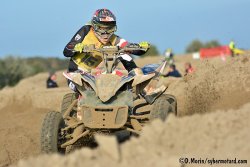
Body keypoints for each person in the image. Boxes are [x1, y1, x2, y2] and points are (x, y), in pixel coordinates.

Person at [63, 9, 150, 91]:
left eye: (109, 29)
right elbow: (66, 50)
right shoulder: (86, 30)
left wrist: (142, 48)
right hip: (74, 74)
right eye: (101, 28)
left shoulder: (114, 39)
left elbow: (131, 48)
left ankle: (138, 81)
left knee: (122, 54)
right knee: (85, 89)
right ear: (94, 26)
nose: (106, 34)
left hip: (92, 75)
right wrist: (76, 48)